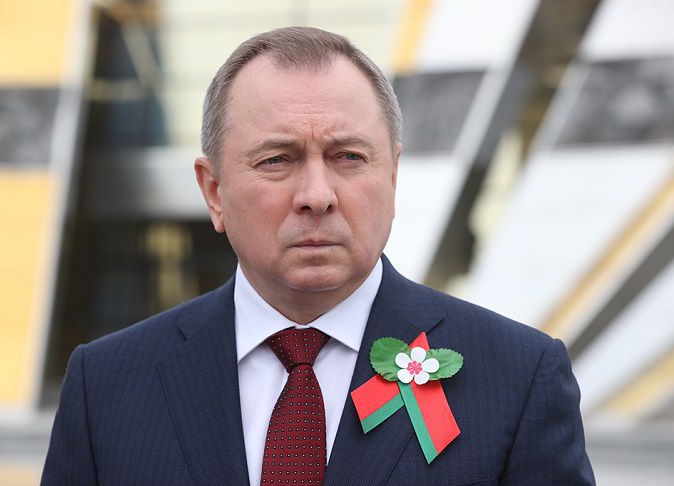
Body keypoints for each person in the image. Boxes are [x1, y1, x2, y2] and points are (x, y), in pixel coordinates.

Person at [41, 27, 595, 485]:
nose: (317, 195)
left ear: (393, 177)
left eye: (348, 157)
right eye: (277, 160)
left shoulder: (518, 378)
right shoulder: (107, 387)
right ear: (214, 192)